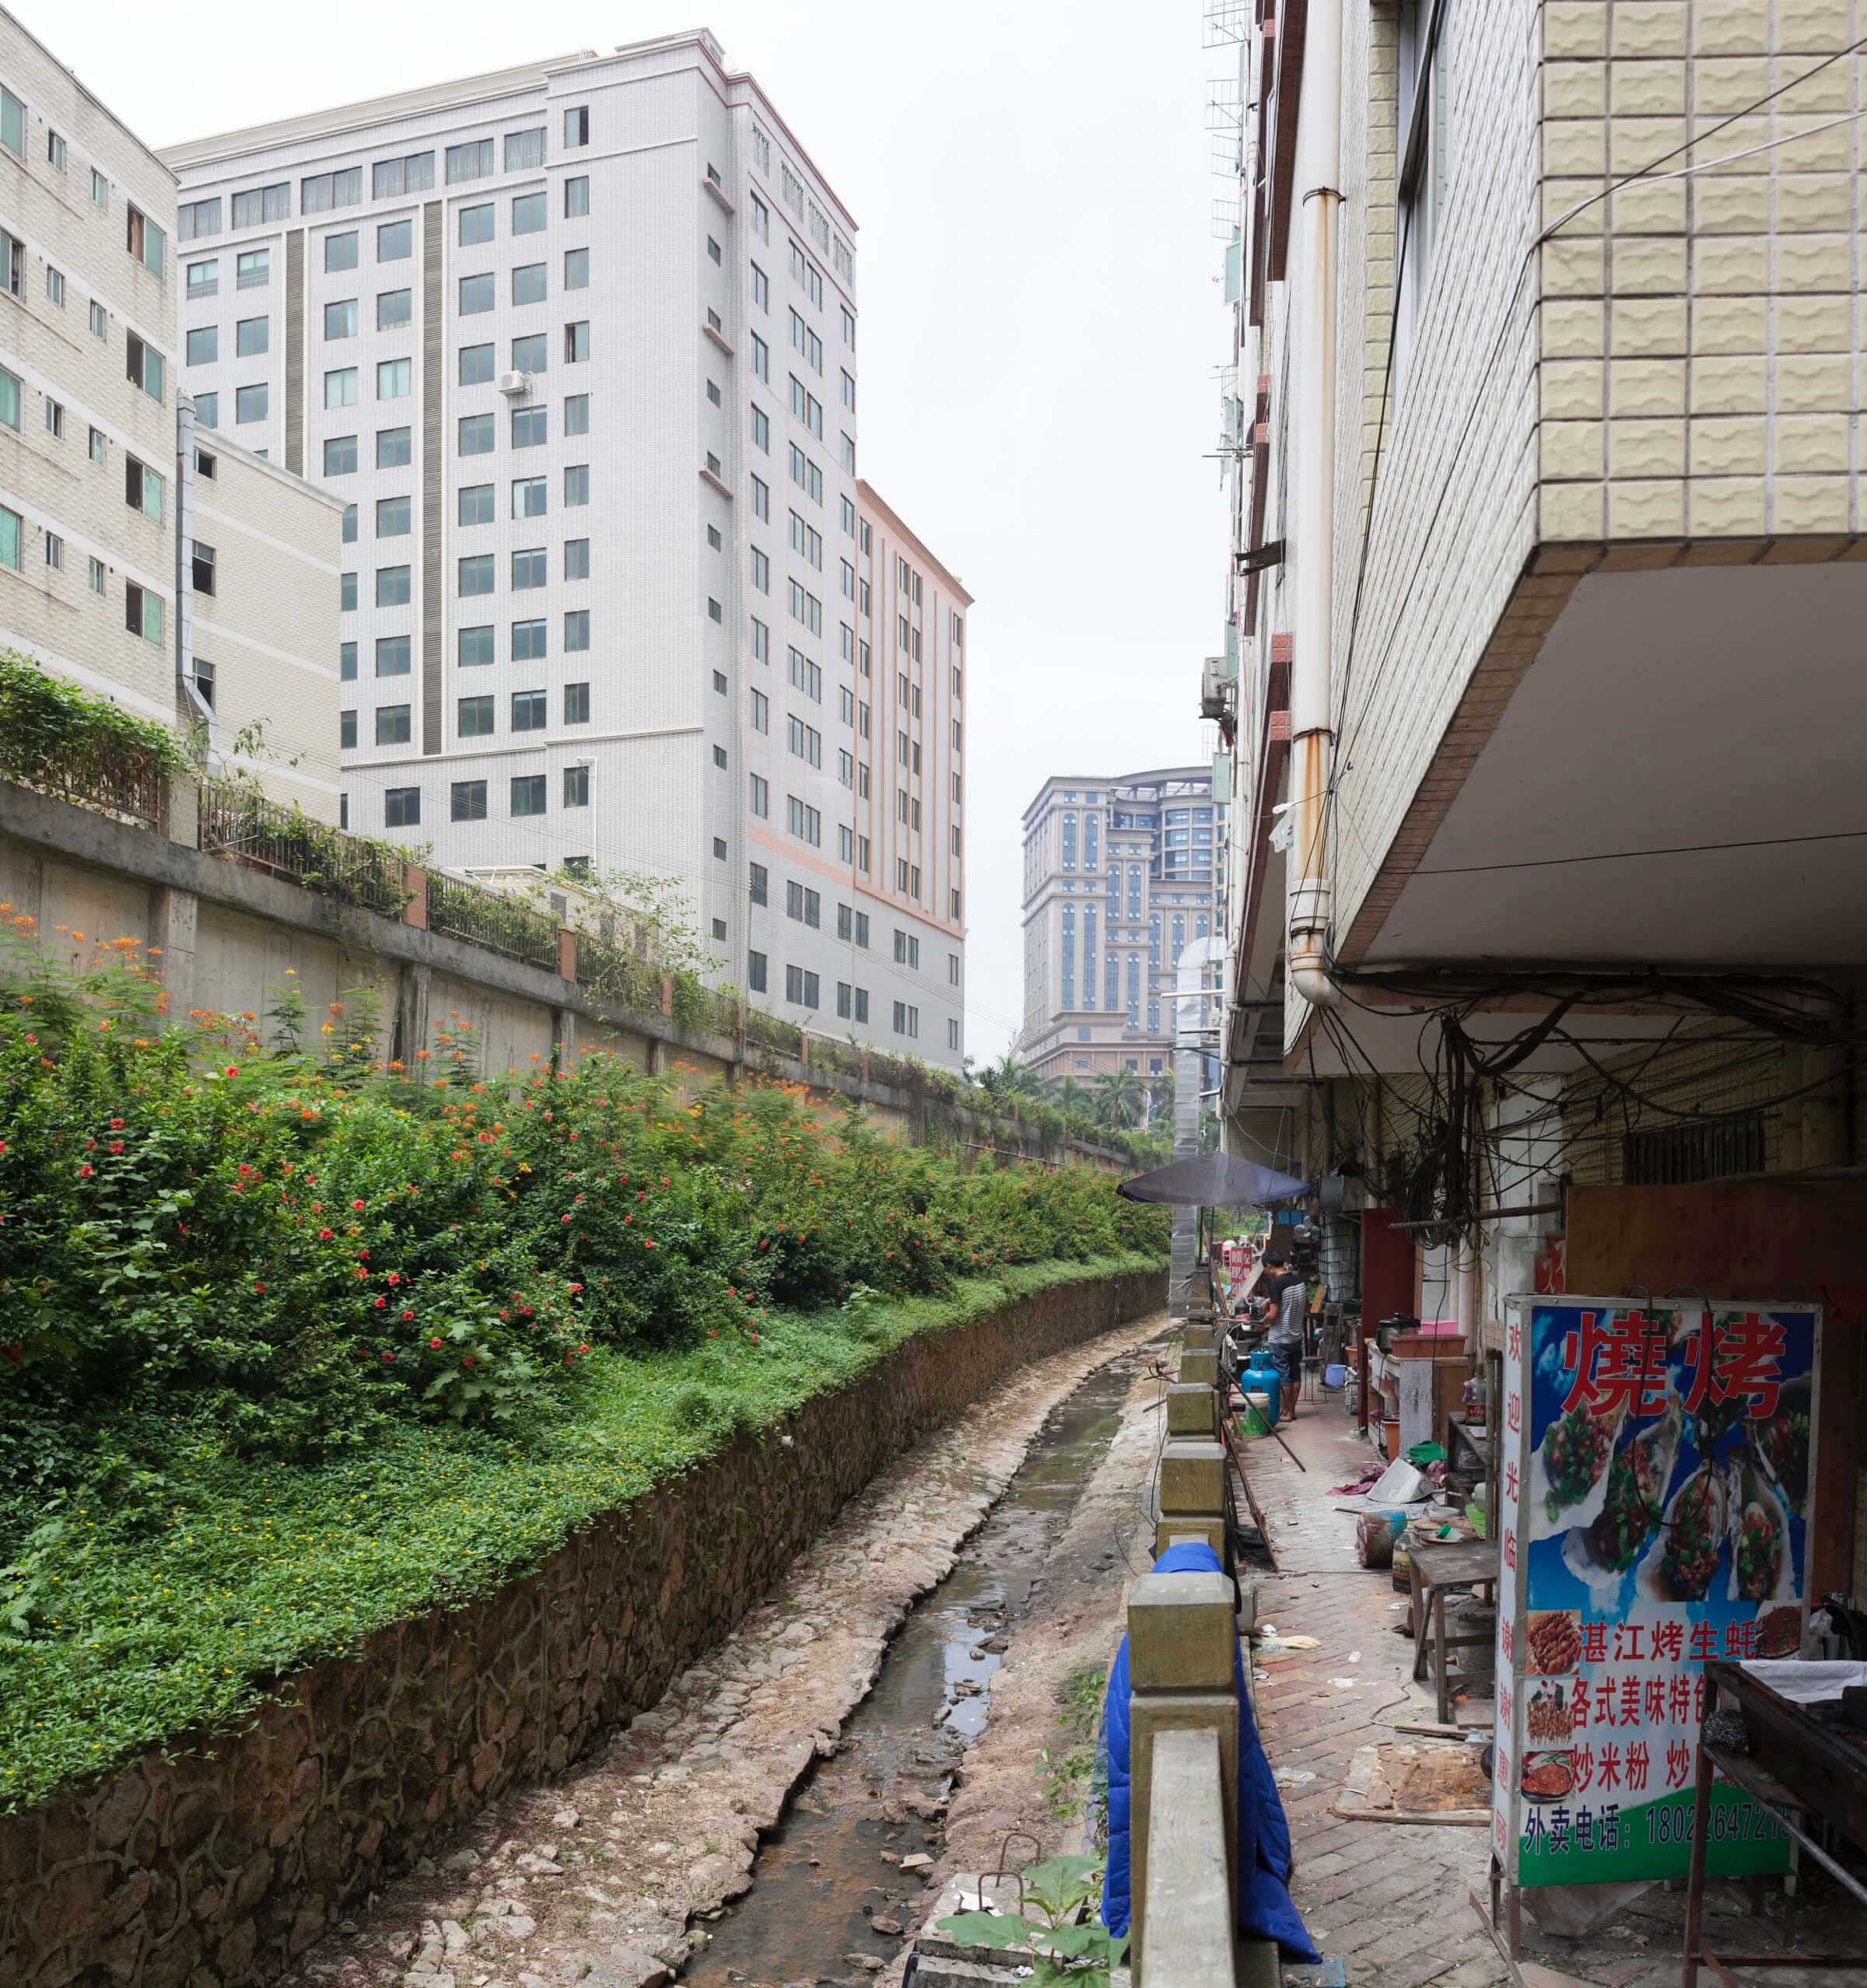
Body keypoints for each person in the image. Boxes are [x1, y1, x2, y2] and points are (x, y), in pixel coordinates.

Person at [1257, 1244, 1307, 1417]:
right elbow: (1290, 1299)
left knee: (1283, 1375)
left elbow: (1273, 1315)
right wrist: (1269, 1300)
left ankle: (1286, 1411)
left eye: (1265, 1269)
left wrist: (1261, 1323)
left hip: (1280, 1339)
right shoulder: (1297, 1280)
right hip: (1296, 1335)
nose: (1265, 1272)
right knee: (1295, 1373)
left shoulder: (1276, 1284)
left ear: (1269, 1267)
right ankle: (1292, 1410)